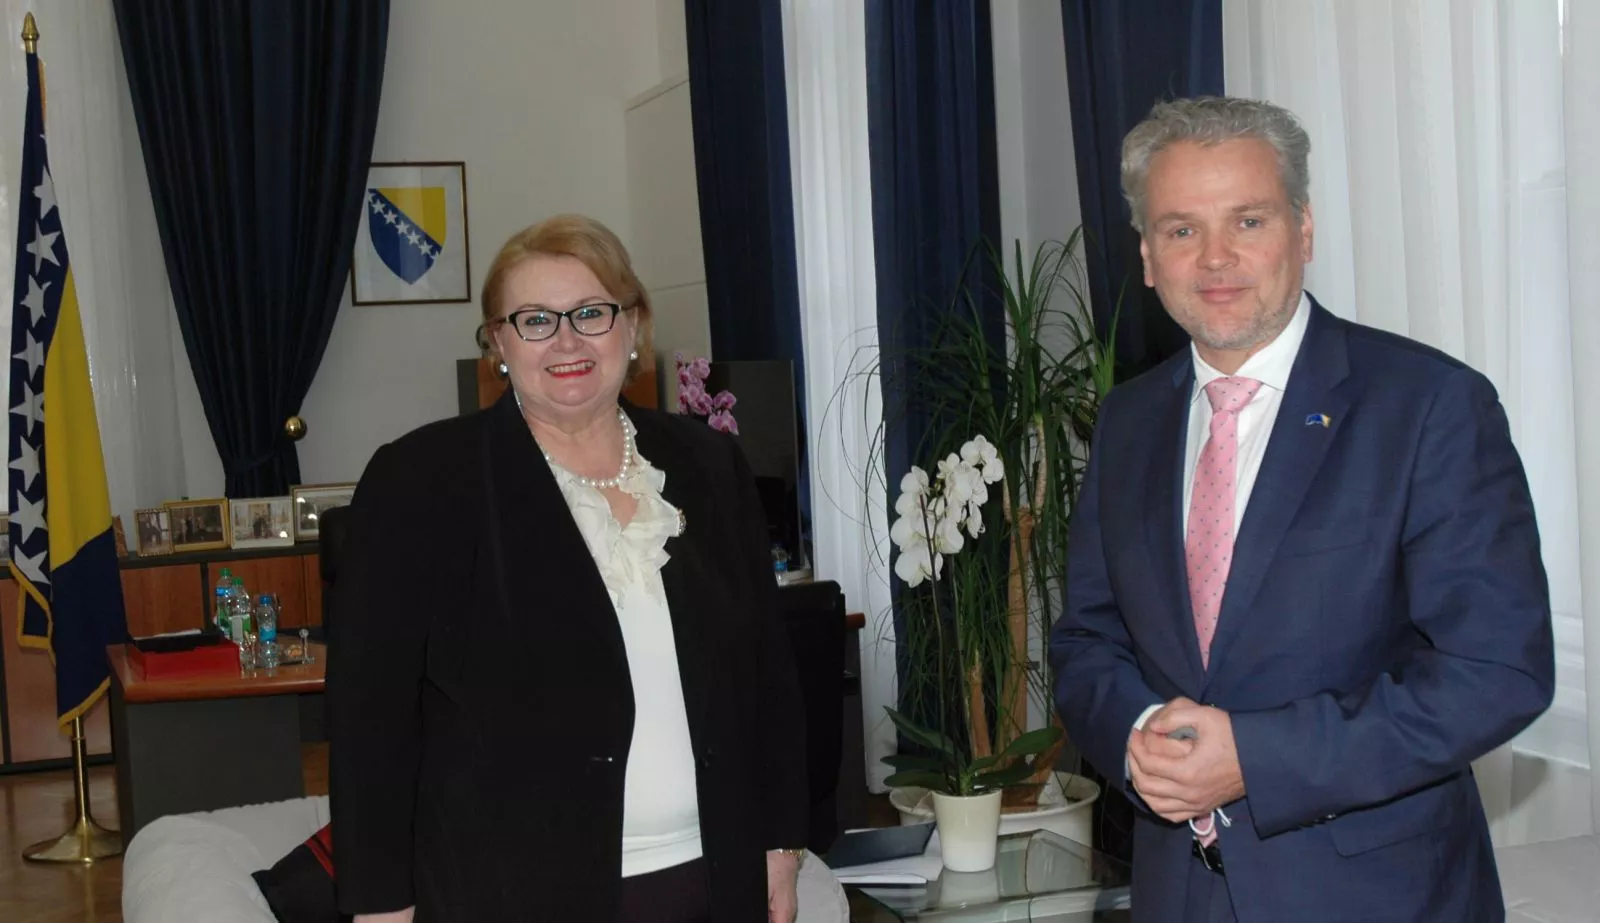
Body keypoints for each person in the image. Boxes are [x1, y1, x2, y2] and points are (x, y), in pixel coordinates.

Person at [1050, 96, 1554, 923]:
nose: (1216, 257)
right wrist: (1142, 740)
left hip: (1378, 899)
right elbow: (1086, 639)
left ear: (1304, 229)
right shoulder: (1127, 422)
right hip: (1178, 893)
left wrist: (1255, 757)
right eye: (1181, 229)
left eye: (1248, 220)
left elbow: (1498, 672)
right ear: (1146, 256)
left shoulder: (1430, 406)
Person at [328, 214, 809, 922]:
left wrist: (782, 842)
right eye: (535, 320)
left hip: (714, 878)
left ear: (633, 325)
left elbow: (768, 670)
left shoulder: (710, 465)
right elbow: (371, 715)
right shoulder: (423, 480)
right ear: (498, 343)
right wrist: (381, 905)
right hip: (509, 893)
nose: (567, 340)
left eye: (590, 312)